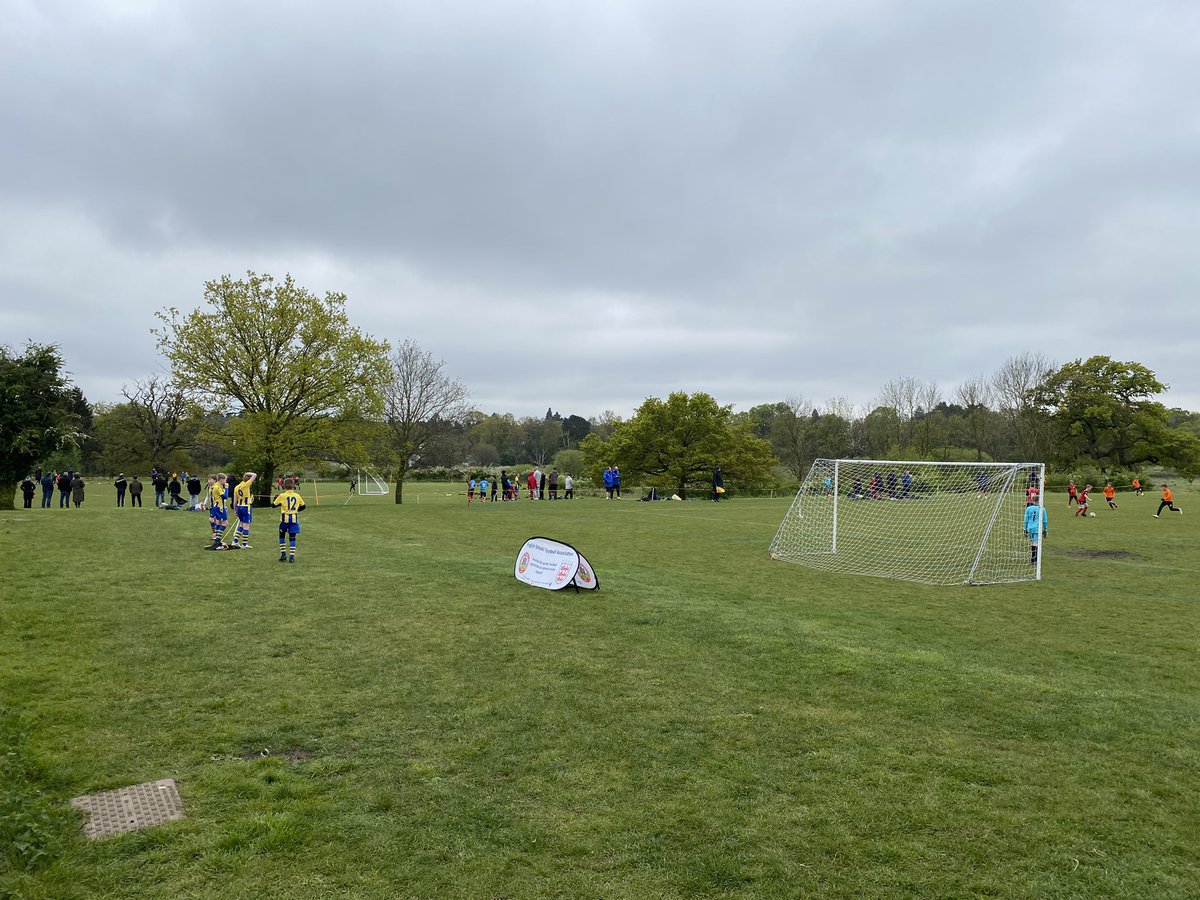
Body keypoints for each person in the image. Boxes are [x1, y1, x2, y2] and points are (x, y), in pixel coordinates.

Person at [273, 477, 306, 563]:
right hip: (294, 519)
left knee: (282, 535)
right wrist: (295, 510)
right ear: (293, 485)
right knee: (292, 537)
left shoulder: (282, 495)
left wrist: (275, 499)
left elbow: (273, 505)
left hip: (284, 519)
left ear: (283, 485)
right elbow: (303, 506)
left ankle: (283, 554)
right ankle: (292, 556)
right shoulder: (297, 496)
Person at [230, 472, 257, 549]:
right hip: (246, 507)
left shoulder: (237, 487)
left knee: (241, 524)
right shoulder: (246, 485)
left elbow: (235, 501)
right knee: (246, 525)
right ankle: (244, 544)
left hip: (239, 506)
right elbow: (254, 475)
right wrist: (247, 473)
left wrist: (235, 510)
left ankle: (235, 541)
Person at [207, 474, 230, 549]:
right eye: (225, 480)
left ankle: (217, 539)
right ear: (221, 480)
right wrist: (226, 488)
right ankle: (218, 540)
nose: (226, 481)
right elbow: (225, 496)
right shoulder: (217, 487)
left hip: (216, 506)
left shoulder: (215, 486)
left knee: (219, 523)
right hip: (220, 507)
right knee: (225, 523)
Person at [1024, 500, 1048, 566]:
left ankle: (1033, 558)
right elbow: (1045, 521)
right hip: (1037, 528)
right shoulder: (1042, 509)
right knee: (1036, 543)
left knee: (1033, 542)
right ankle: (1034, 559)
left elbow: (1025, 520)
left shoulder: (1028, 508)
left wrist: (1025, 529)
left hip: (1030, 528)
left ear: (1033, 501)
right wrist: (1045, 530)